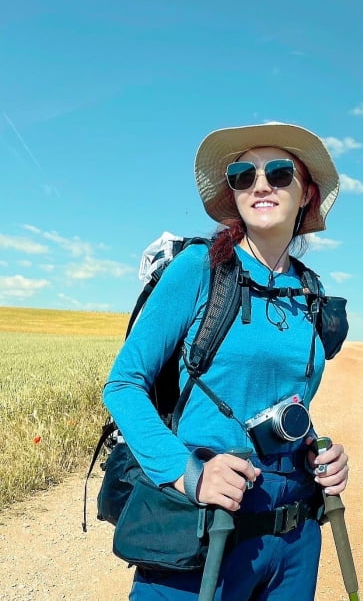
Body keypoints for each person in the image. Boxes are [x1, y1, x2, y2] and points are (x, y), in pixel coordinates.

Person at [103, 121, 350, 601]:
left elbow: (282, 400)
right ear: (233, 193)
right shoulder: (200, 270)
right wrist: (189, 474)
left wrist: (322, 454)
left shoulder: (310, 293)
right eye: (243, 174)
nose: (260, 183)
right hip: (203, 532)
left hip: (296, 536)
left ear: (307, 193)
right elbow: (124, 384)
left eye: (279, 172)